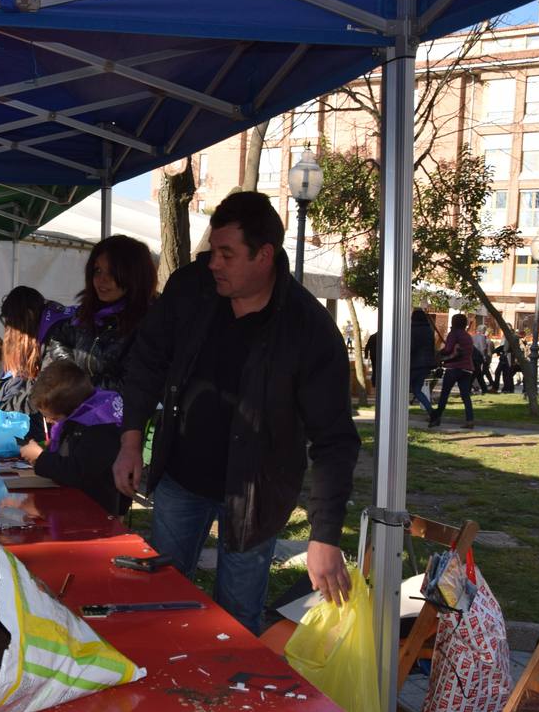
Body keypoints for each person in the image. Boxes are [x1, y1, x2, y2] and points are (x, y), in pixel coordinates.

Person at [112, 191, 359, 635]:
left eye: (227, 254)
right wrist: (131, 443)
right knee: (157, 599)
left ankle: (221, 703)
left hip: (258, 494)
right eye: (212, 251)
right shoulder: (190, 289)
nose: (214, 263)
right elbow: (146, 362)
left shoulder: (308, 328)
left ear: (264, 255)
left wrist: (324, 536)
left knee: (237, 621)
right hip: (181, 479)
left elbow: (335, 441)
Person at [42, 234, 156, 391]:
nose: (102, 280)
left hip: (113, 413)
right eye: (97, 270)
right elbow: (58, 339)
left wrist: (79, 386)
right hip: (77, 408)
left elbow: (133, 383)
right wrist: (68, 368)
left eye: (112, 272)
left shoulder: (149, 322)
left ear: (133, 276)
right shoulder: (88, 309)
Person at [18, 360, 127, 515]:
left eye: (54, 418)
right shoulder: (78, 417)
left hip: (95, 509)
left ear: (73, 410)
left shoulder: (100, 425)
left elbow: (77, 472)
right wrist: (45, 452)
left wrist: (40, 457)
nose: (49, 421)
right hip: (75, 503)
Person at [0, 285, 49, 442]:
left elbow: (38, 396)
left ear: (28, 317)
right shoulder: (43, 345)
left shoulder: (54, 342)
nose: (10, 333)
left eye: (12, 324)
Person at [428, 313, 475, 430]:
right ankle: (470, 420)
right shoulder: (467, 336)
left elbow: (448, 349)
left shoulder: (453, 334)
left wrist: (439, 353)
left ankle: (437, 418)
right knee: (465, 396)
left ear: (454, 323)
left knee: (444, 394)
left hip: (453, 368)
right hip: (467, 369)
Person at [409, 308, 436, 417]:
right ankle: (431, 411)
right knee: (416, 390)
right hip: (426, 364)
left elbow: (411, 347)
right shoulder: (429, 330)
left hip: (413, 364)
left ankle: (396, 412)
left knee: (403, 388)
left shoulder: (411, 330)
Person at [471, 322, 492, 393]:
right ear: (483, 330)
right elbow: (483, 348)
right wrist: (484, 357)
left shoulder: (473, 337)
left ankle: (484, 389)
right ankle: (467, 389)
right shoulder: (482, 337)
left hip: (472, 357)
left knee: (478, 374)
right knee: (475, 374)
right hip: (478, 358)